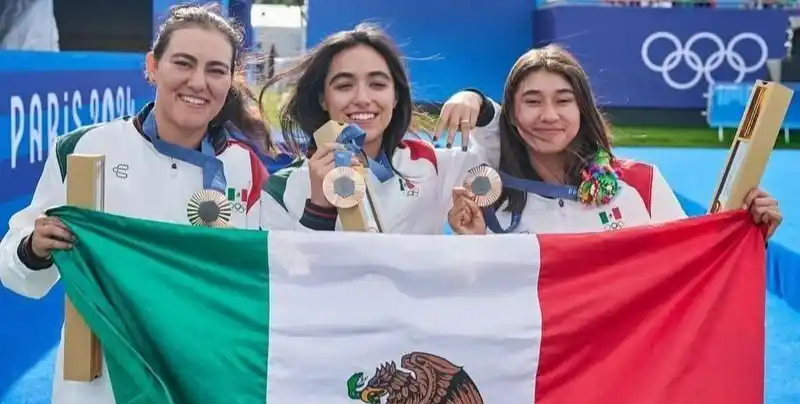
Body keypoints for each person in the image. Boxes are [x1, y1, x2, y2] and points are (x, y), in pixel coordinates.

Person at [0, 5, 291, 404]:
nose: (198, 82)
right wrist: (36, 246)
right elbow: (19, 270)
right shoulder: (86, 149)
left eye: (216, 70)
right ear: (151, 67)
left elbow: (262, 283)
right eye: (183, 63)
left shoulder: (243, 168)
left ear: (231, 81)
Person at [436, 45, 782, 237]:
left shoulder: (641, 186)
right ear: (511, 114)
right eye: (532, 101)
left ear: (583, 109)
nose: (548, 115)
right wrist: (474, 245)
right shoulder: (490, 202)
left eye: (563, 100)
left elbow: (691, 266)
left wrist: (746, 237)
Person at [258, 23, 497, 234]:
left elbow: (505, 157)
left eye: (378, 84)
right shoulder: (282, 188)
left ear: (395, 97)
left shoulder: (431, 165)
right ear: (323, 99)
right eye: (344, 85)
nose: (362, 98)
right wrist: (319, 209)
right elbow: (285, 277)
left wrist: (480, 104)